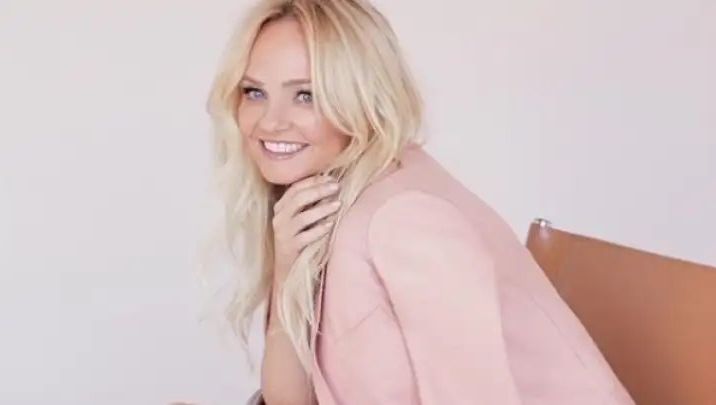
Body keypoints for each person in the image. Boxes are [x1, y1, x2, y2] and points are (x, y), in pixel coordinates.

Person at [205, 0, 636, 404]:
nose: (270, 122)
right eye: (254, 92)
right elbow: (289, 399)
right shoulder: (318, 199)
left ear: (361, 97)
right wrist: (287, 271)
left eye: (306, 95)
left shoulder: (404, 218)